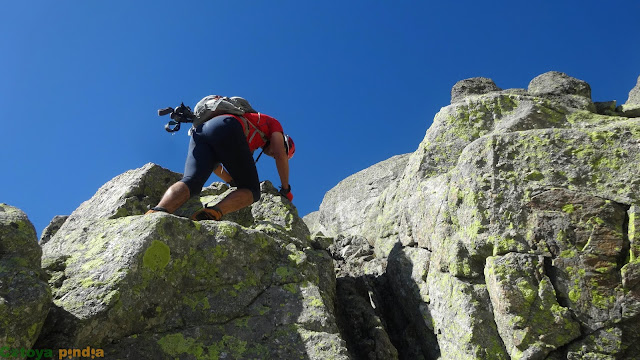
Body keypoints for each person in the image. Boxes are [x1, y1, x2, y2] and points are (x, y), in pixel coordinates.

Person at [146, 99, 295, 221]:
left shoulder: (250, 140)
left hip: (200, 131)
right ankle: (212, 213)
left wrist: (231, 180)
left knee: (191, 181)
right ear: (284, 141)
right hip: (228, 125)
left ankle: (157, 212)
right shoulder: (272, 124)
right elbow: (281, 155)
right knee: (252, 190)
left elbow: (215, 166)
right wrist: (285, 189)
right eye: (284, 149)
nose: (275, 155)